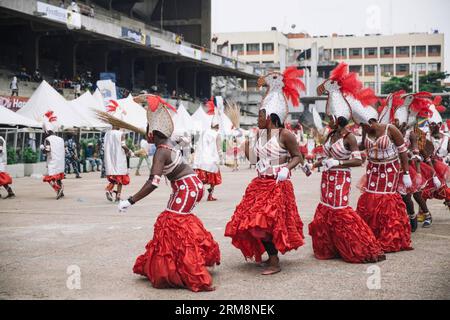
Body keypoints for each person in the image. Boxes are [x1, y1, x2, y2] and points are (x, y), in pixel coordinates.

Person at [106, 94, 220, 292]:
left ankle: (188, 268)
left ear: (154, 132)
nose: (146, 133)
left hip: (188, 188)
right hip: (188, 186)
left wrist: (130, 201)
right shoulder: (168, 143)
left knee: (173, 222)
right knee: (173, 222)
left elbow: (153, 183)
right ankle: (181, 262)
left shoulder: (161, 151)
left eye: (148, 129)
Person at [225, 67, 310, 275]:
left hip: (277, 184)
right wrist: (244, 147)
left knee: (263, 223)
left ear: (271, 116)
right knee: (251, 222)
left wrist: (286, 169)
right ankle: (270, 256)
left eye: (260, 115)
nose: (257, 118)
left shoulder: (285, 134)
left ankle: (274, 262)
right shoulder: (259, 135)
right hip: (260, 184)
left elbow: (298, 156)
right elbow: (255, 160)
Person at [309, 66, 385, 263]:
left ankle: (360, 246)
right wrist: (316, 164)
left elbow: (359, 160)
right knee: (327, 209)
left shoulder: (350, 137)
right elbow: (327, 156)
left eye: (330, 117)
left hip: (341, 179)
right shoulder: (331, 135)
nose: (328, 120)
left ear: (338, 118)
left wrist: (338, 162)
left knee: (340, 211)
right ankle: (333, 246)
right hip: (328, 179)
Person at [345, 71, 413, 253]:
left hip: (390, 169)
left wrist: (406, 174)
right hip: (373, 169)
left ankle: (391, 236)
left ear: (371, 121)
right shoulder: (367, 131)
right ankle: (372, 234)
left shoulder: (391, 129)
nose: (363, 129)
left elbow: (403, 152)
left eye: (364, 126)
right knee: (371, 198)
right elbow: (361, 146)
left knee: (386, 200)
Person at [379, 91, 436, 230]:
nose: (397, 123)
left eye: (399, 121)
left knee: (412, 195)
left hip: (407, 169)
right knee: (394, 197)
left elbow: (416, 152)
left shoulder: (411, 134)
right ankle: (397, 219)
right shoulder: (390, 133)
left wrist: (417, 173)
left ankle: (422, 215)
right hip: (391, 169)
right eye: (395, 121)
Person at [193, 97, 224, 201]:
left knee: (201, 180)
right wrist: (222, 158)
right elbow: (219, 149)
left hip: (202, 161)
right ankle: (210, 196)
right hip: (212, 161)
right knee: (212, 182)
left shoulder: (204, 132)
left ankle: (197, 195)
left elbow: (198, 146)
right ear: (217, 125)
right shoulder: (217, 134)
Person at [422, 100, 450, 212]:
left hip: (441, 168)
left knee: (444, 191)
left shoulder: (447, 137)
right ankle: (423, 213)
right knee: (423, 192)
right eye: (431, 124)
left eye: (435, 124)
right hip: (426, 168)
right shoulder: (423, 136)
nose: (433, 127)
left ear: (440, 125)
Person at [103, 100, 131, 202]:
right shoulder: (121, 134)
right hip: (119, 159)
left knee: (115, 178)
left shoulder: (107, 133)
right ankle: (117, 195)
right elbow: (123, 146)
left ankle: (110, 190)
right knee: (120, 179)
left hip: (110, 159)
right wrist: (129, 151)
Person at [40, 111, 65, 200]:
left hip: (52, 162)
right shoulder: (60, 139)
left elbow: (47, 151)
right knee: (58, 178)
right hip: (60, 163)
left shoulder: (47, 139)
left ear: (46, 131)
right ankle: (61, 192)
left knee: (49, 179)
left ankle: (58, 189)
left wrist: (42, 149)